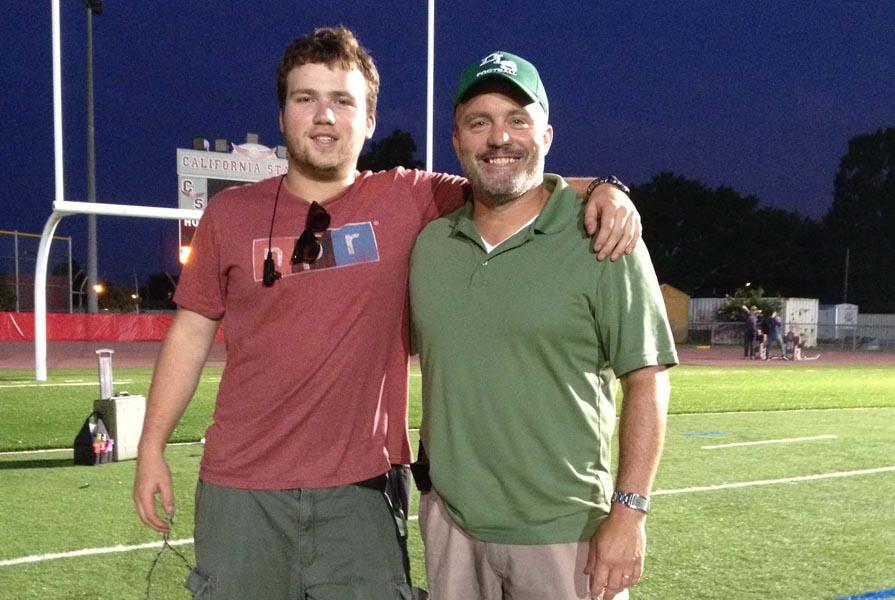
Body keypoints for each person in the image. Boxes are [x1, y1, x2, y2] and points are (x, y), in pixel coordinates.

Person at [132, 28, 642, 599]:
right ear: (282, 116)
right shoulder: (229, 214)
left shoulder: (409, 196)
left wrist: (606, 186)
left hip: (362, 492)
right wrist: (152, 446)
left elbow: (510, 178)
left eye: (343, 101)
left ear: (369, 120)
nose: (324, 116)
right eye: (306, 99)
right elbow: (190, 334)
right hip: (241, 488)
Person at [409, 51, 678, 600]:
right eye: (479, 122)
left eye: (517, 120)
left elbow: (647, 379)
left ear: (547, 134)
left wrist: (630, 513)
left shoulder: (603, 237)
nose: (498, 138)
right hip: (452, 527)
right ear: (457, 139)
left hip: (568, 533)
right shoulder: (431, 244)